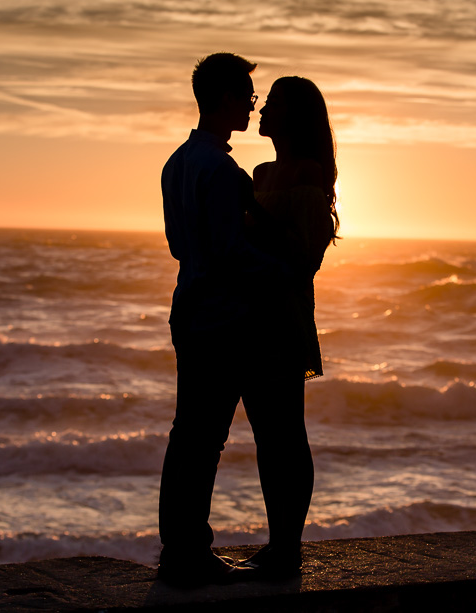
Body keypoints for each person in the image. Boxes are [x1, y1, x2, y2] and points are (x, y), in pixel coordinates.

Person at [158, 54, 315, 587]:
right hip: (223, 318)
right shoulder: (224, 172)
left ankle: (178, 549)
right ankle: (190, 552)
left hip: (188, 307)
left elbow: (179, 244)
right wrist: (286, 269)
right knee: (207, 439)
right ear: (225, 99)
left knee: (188, 434)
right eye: (247, 97)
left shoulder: (177, 163)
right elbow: (232, 253)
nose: (252, 106)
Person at [236, 76, 339, 576]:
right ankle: (278, 544)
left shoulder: (306, 173)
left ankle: (287, 548)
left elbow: (305, 256)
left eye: (272, 103)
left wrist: (253, 215)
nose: (262, 110)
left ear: (292, 116)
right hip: (248, 316)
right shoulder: (260, 172)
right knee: (266, 436)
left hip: (283, 316)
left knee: (286, 436)